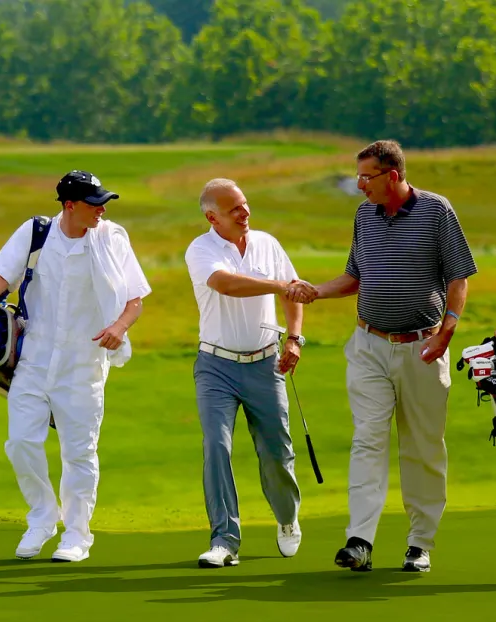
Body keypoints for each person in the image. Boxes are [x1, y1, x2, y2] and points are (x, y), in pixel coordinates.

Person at [288, 140, 476, 573]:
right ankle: (360, 541)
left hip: (423, 348)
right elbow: (356, 276)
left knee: (422, 447)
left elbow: (459, 277)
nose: (359, 186)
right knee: (368, 439)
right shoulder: (364, 216)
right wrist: (317, 291)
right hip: (368, 345)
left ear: (392, 175)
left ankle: (419, 543)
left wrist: (447, 332)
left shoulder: (436, 211)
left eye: (366, 177)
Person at [0, 170, 151, 562]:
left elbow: (135, 298)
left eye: (103, 203)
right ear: (70, 205)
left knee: (79, 453)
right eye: (94, 203)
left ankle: (76, 536)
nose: (101, 210)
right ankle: (42, 517)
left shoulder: (112, 238)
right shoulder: (36, 232)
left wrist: (118, 327)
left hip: (85, 362)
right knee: (21, 442)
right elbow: (1, 279)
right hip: (35, 358)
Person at [185, 178, 315, 568]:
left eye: (245, 204)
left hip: (265, 363)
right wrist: (278, 286)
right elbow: (226, 284)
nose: (245, 213)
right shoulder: (201, 249)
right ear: (213, 217)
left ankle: (287, 518)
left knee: (276, 451)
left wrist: (294, 339)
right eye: (234, 210)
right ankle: (224, 539)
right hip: (215, 366)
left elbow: (293, 294)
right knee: (217, 447)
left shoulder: (267, 243)